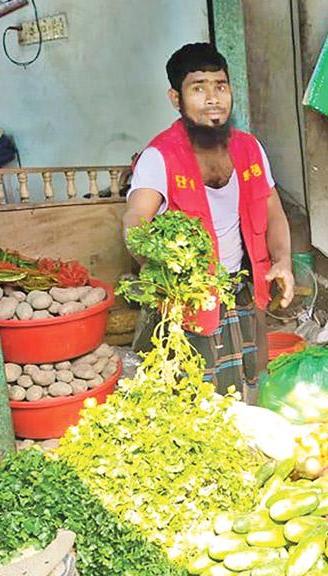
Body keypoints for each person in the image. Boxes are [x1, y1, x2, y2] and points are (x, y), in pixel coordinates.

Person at [123, 43, 295, 401]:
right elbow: (135, 220)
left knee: (252, 383)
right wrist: (165, 273)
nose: (213, 98)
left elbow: (274, 210)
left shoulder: (250, 148)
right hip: (190, 298)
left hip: (243, 287)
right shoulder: (160, 156)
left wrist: (283, 261)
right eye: (198, 88)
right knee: (197, 395)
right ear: (176, 98)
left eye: (220, 85)